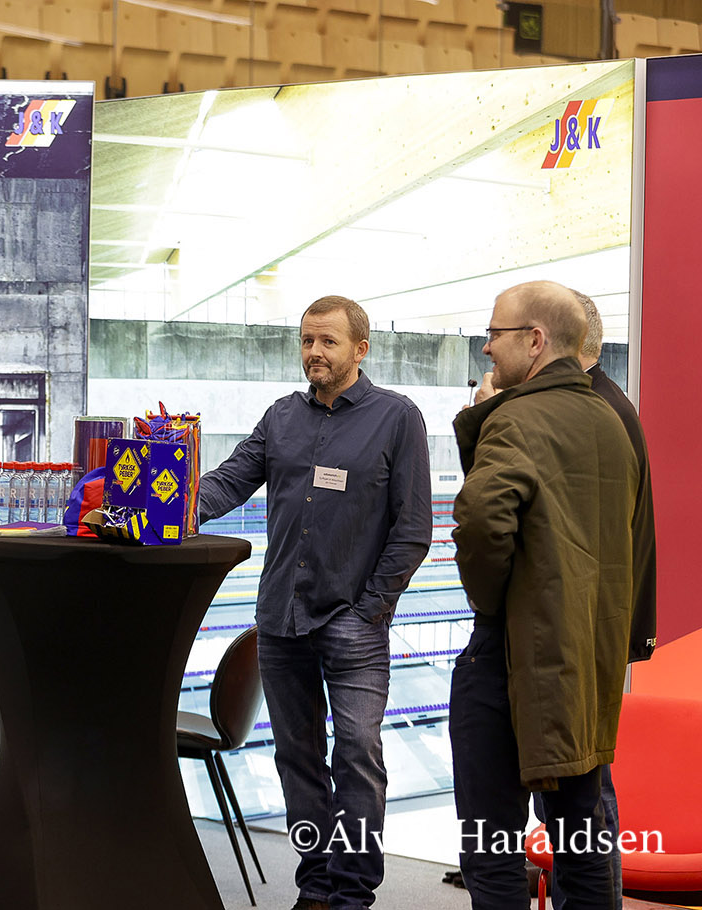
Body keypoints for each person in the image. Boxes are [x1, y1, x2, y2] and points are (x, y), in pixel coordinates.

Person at [199, 296, 432, 910]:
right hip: (282, 619)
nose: (314, 353)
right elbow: (226, 483)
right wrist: (155, 507)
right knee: (297, 757)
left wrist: (372, 607)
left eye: (328, 341)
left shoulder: (397, 418)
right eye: (307, 341)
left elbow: (413, 529)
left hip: (352, 621)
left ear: (360, 349)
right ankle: (316, 885)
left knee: (357, 756)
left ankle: (352, 892)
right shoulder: (281, 417)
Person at [451, 280, 639, 910]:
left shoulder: (515, 419)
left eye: (494, 334)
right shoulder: (613, 420)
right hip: (584, 656)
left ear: (534, 340)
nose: (486, 348)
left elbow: (482, 521)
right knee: (583, 839)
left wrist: (490, 604)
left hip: (514, 652)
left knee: (492, 846)